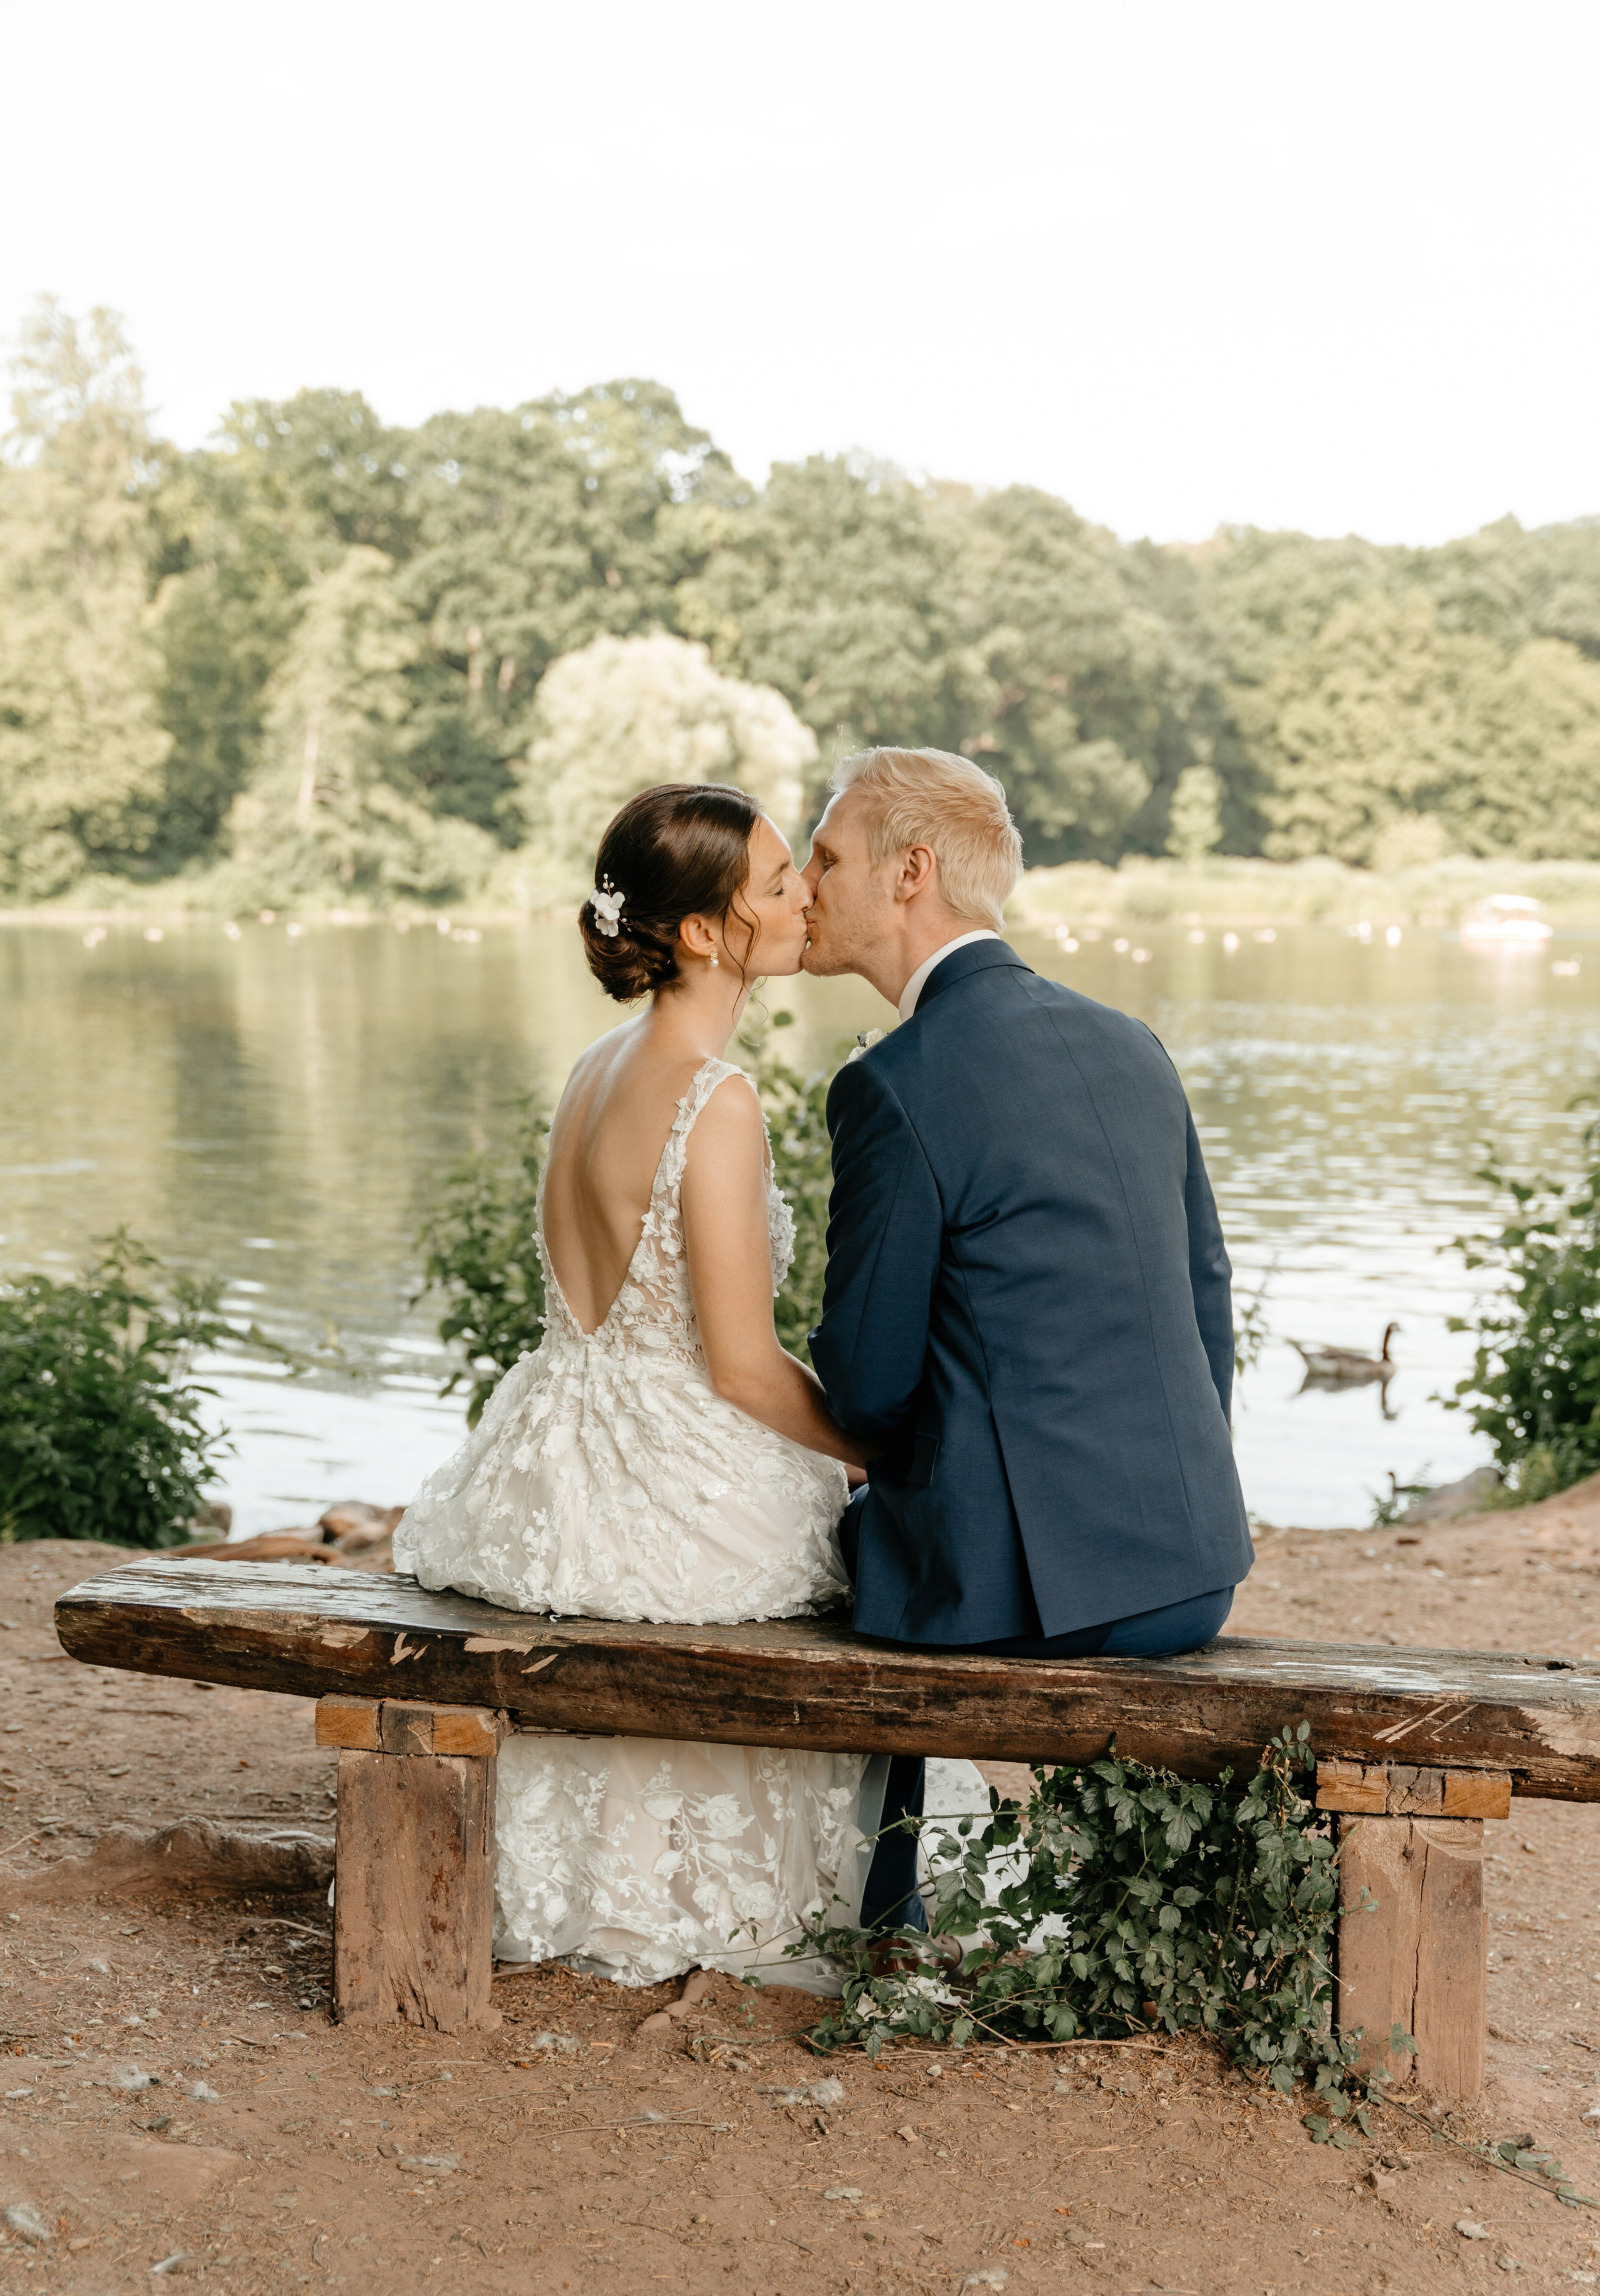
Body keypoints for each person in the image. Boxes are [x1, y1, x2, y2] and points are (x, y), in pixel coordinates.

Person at [395, 784, 880, 1987]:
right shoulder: (715, 1101)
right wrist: (877, 1449)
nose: (802, 892)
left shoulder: (595, 1067)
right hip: (671, 1459)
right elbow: (745, 1369)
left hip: (557, 1448)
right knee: (869, 1544)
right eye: (776, 883)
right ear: (709, 933)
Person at [801, 746, 1254, 1929]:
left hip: (1026, 1594)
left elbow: (863, 1375)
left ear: (909, 874)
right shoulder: (1133, 1044)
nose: (807, 881)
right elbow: (1209, 1313)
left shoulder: (894, 1081)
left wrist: (880, 1464)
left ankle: (888, 1911)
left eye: (828, 853)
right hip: (1194, 1568)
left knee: (815, 1544)